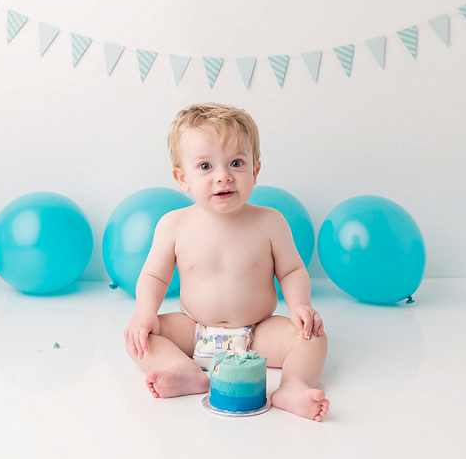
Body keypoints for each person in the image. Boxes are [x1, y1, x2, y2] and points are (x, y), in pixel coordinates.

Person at [124, 102, 329, 421]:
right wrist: (144, 313)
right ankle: (184, 370)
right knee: (138, 337)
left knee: (312, 337)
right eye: (205, 167)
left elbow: (291, 270)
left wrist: (300, 306)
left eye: (236, 163)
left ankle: (292, 386)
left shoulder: (270, 222)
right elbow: (153, 276)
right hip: (193, 331)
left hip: (258, 333)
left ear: (254, 171)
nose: (223, 177)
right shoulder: (173, 224)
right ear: (182, 178)